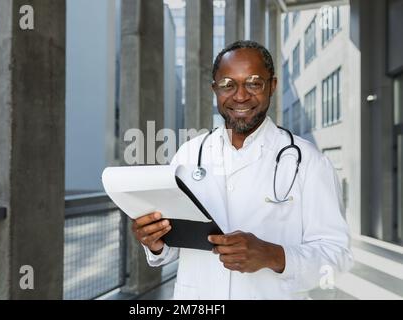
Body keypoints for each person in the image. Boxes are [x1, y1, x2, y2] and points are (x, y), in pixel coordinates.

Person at [131, 40, 354, 299]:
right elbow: (173, 247)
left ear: (272, 85)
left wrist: (274, 255)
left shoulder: (309, 162)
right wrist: (154, 241)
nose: (240, 95)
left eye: (254, 83)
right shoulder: (189, 155)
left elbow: (337, 258)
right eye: (228, 84)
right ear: (214, 89)